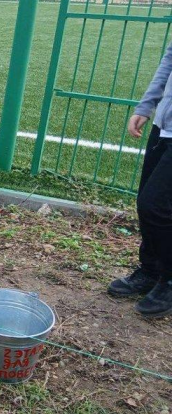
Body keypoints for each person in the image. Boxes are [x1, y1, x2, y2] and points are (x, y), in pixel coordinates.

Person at [106, 43, 172, 318]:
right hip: (164, 126)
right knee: (147, 199)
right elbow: (169, 61)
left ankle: (169, 281)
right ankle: (151, 270)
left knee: (153, 204)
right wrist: (148, 105)